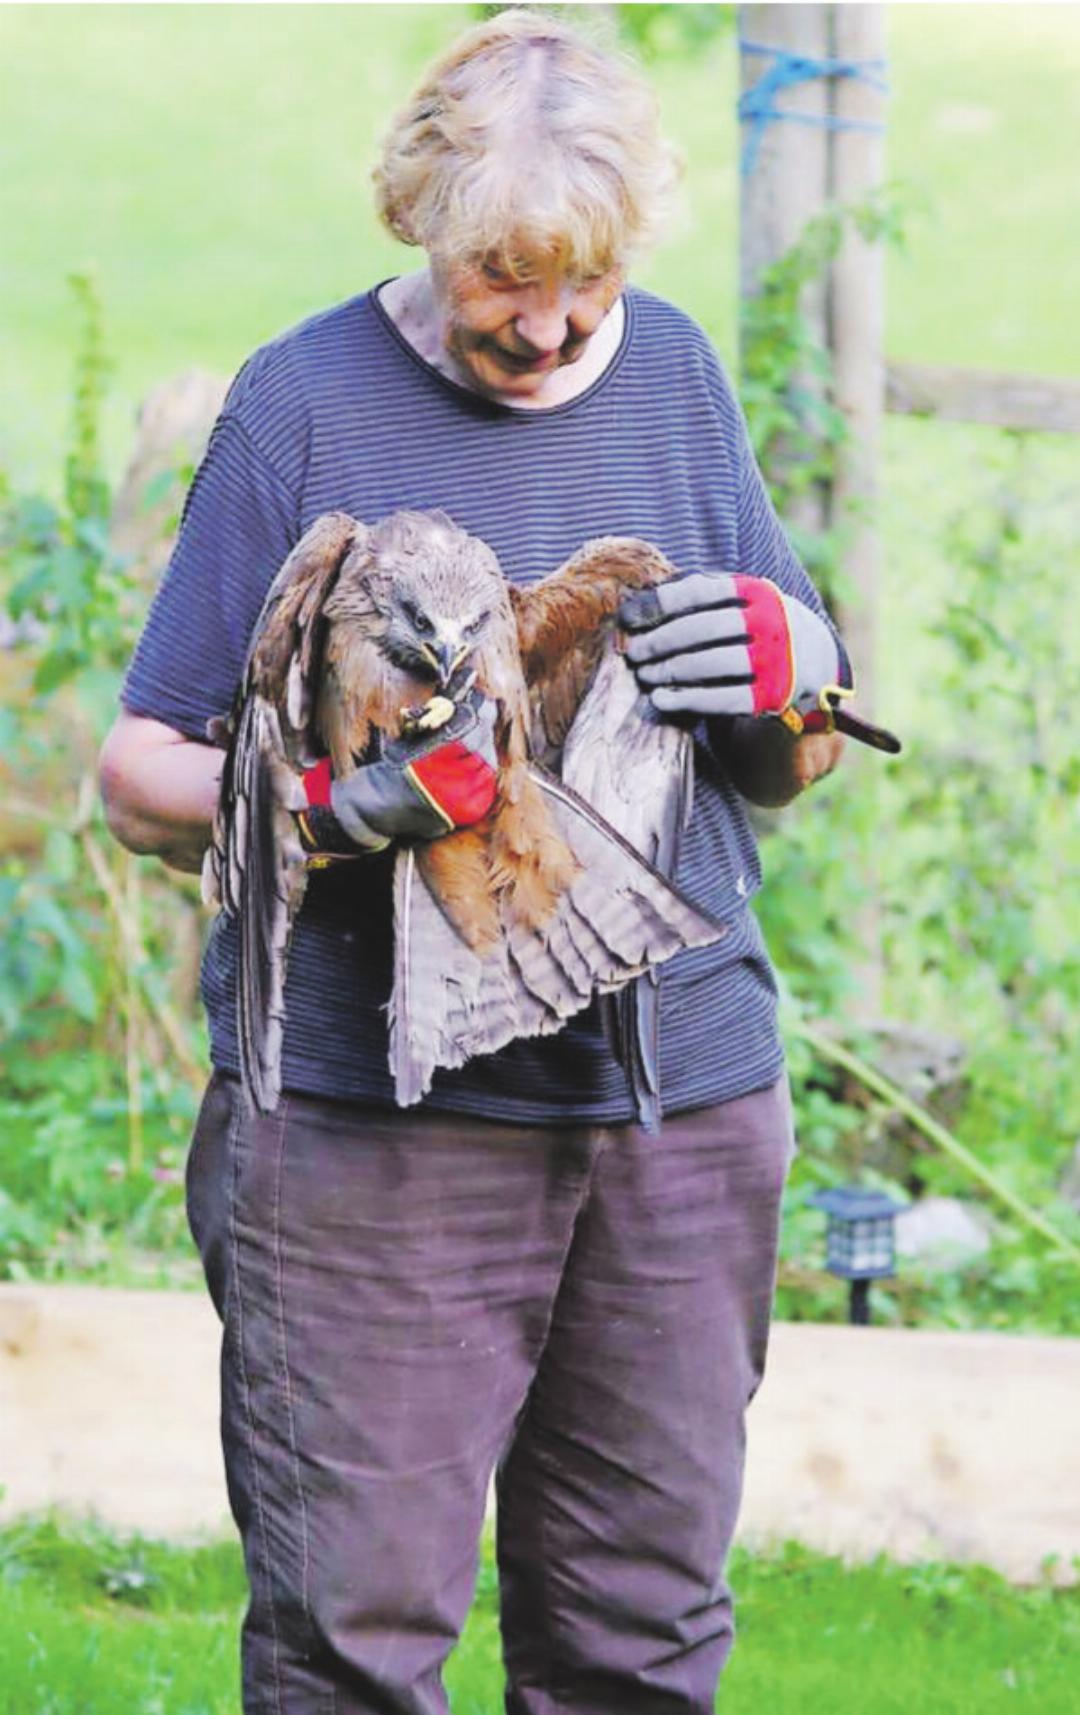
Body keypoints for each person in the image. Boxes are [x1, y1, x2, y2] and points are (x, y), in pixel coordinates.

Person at [100, 12, 853, 1712]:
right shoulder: (304, 403)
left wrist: (789, 672)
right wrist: (332, 806)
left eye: (583, 283)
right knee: (352, 1645)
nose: (553, 326)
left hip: (679, 1118)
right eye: (505, 282)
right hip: (373, 1137)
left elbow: (794, 759)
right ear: (421, 226)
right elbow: (137, 773)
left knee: (640, 1647)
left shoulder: (672, 372)